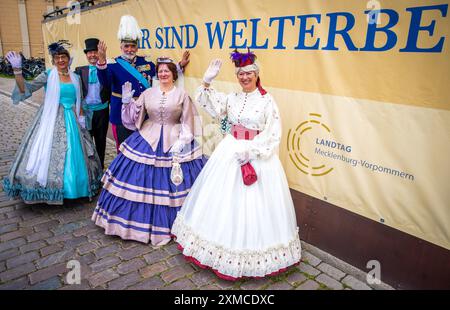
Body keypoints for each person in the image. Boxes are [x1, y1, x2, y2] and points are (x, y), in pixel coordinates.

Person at [171, 50, 302, 280]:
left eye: (249, 73)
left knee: (254, 207)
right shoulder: (232, 98)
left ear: (256, 74)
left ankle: (252, 257)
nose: (244, 77)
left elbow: (273, 134)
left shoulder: (267, 101)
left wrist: (252, 151)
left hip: (255, 157)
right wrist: (207, 81)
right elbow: (210, 104)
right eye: (240, 74)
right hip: (230, 152)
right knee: (223, 202)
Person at [92, 58, 206, 246]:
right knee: (138, 179)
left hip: (174, 139)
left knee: (173, 182)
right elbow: (132, 117)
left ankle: (175, 224)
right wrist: (127, 102)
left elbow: (188, 120)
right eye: (160, 71)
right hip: (147, 137)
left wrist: (183, 140)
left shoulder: (182, 95)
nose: (163, 74)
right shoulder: (148, 93)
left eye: (167, 71)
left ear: (173, 75)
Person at [2, 41, 103, 205]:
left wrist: (83, 119)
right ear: (53, 59)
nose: (61, 60)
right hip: (51, 118)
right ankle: (53, 188)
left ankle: (78, 188)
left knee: (76, 153)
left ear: (68, 59)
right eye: (57, 57)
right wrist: (17, 71)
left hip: (73, 120)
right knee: (48, 152)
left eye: (64, 56)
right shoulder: (48, 75)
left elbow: (80, 100)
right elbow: (25, 89)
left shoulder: (75, 77)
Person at [96, 15, 190, 152]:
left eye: (133, 46)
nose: (129, 49)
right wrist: (102, 61)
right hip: (122, 115)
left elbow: (161, 73)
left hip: (144, 114)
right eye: (126, 46)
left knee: (143, 149)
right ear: (121, 47)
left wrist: (179, 65)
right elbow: (104, 81)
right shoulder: (113, 64)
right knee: (124, 150)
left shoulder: (146, 62)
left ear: (137, 47)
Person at [75, 38, 111, 169]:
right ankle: (89, 168)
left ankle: (100, 167)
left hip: (102, 111)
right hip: (86, 111)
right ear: (86, 55)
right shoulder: (79, 70)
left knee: (101, 141)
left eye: (95, 52)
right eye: (89, 52)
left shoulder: (107, 69)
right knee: (87, 141)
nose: (92, 55)